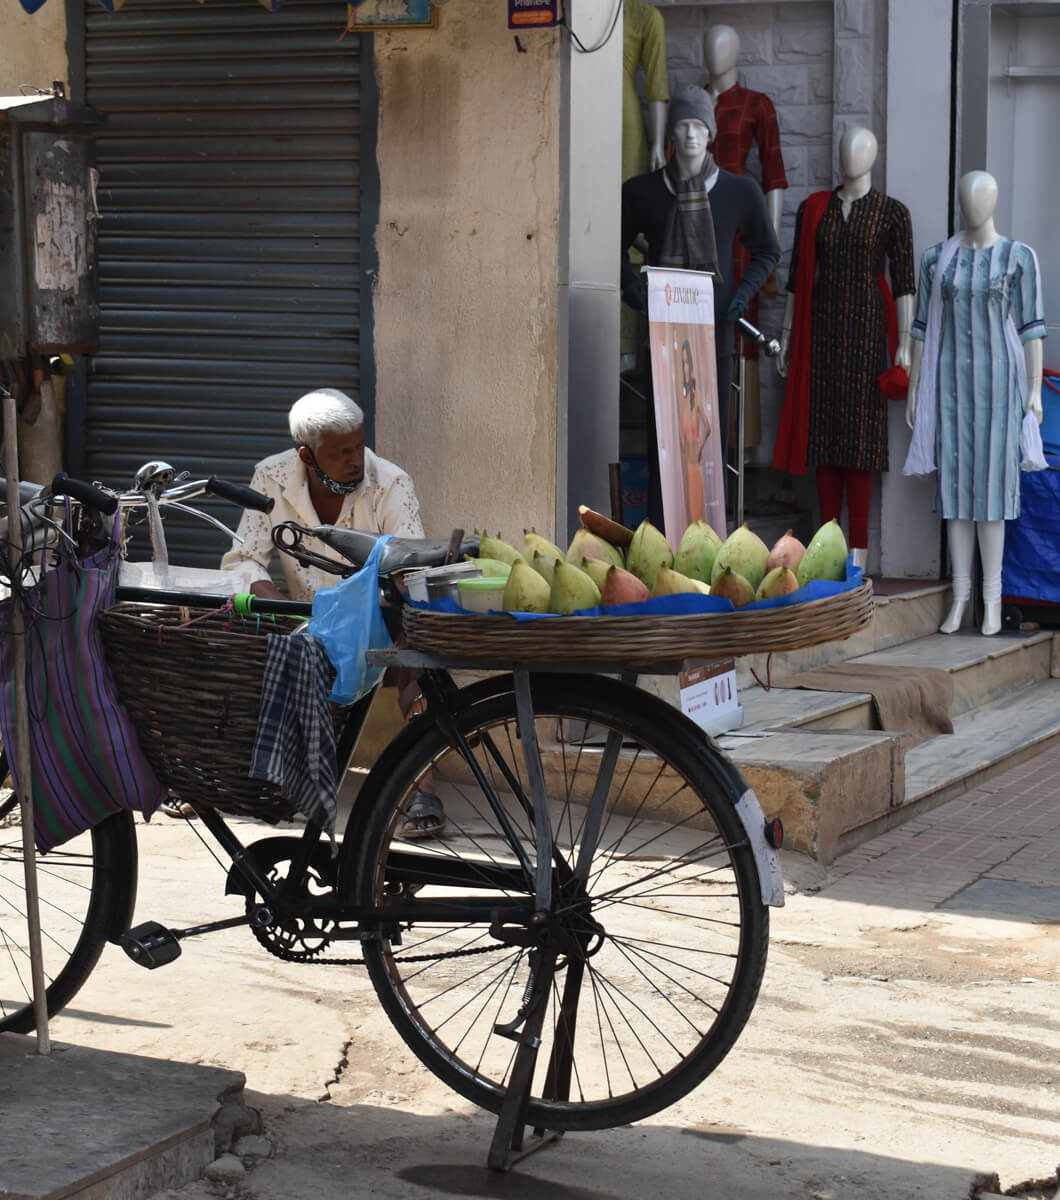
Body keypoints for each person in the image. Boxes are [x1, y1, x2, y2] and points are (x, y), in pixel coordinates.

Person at [214, 387, 446, 837]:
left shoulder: (391, 483)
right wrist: (289, 615)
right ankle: (237, 778)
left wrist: (369, 617)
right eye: (340, 453)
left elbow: (411, 565)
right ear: (306, 454)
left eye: (358, 446)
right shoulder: (271, 476)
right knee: (235, 632)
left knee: (412, 664)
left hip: (376, 622)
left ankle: (423, 789)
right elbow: (243, 560)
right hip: (303, 622)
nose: (355, 460)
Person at [621, 85, 781, 516]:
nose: (691, 135)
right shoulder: (644, 191)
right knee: (664, 442)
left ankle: (709, 538)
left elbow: (767, 250)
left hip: (716, 330)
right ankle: (658, 538)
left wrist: (742, 294)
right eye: (683, 125)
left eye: (699, 125)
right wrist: (632, 289)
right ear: (672, 133)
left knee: (709, 440)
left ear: (710, 133)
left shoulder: (739, 191)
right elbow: (610, 247)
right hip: (663, 330)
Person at [903, 170, 1047, 637]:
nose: (972, 205)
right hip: (950, 387)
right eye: (965, 197)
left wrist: (1034, 390)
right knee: (957, 492)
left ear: (994, 200)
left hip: (1000, 386)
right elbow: (921, 328)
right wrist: (914, 388)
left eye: (979, 196)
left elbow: (1031, 329)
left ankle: (991, 598)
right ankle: (960, 595)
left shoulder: (1018, 258)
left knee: (993, 493)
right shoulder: (935, 261)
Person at [774, 127, 915, 572]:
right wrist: (789, 329)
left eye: (859, 149)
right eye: (844, 149)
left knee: (861, 446)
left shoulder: (892, 214)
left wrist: (906, 346)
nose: (849, 157)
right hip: (822, 335)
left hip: (869, 337)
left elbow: (904, 284)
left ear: (873, 156)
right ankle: (828, 555)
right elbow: (798, 277)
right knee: (826, 442)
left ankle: (856, 559)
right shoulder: (815, 209)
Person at [679, 338, 710, 522]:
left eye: (686, 363)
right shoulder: (683, 397)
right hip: (687, 458)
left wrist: (699, 447)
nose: (685, 368)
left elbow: (708, 427)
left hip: (694, 458)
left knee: (696, 507)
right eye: (683, 363)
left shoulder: (695, 397)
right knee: (689, 506)